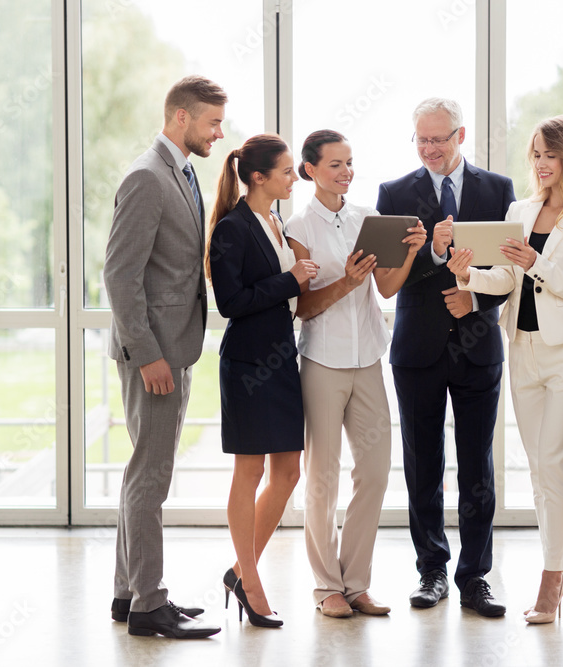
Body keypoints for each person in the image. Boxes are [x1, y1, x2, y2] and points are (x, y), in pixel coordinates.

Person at [447, 116, 563, 624]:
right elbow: (503, 279)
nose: (540, 164)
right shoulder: (520, 208)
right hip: (523, 349)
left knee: (554, 467)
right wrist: (467, 273)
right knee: (538, 470)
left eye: (550, 155)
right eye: (535, 155)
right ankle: (561, 568)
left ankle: (550, 577)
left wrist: (535, 260)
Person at [376, 97, 515, 617]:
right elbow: (387, 276)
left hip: (478, 345)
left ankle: (474, 577)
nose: (430, 148)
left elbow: (510, 271)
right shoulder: (393, 193)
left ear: (461, 135)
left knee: (477, 466)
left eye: (440, 138)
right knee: (422, 462)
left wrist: (474, 295)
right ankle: (431, 570)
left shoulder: (497, 190)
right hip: (418, 349)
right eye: (422, 139)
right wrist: (434, 254)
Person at [285, 130, 426, 618]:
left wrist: (409, 252)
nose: (346, 172)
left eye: (349, 163)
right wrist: (346, 279)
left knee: (375, 469)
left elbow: (385, 290)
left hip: (368, 358)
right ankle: (326, 585)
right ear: (309, 171)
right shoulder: (298, 226)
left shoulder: (369, 217)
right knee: (321, 475)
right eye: (335, 165)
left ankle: (356, 582)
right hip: (322, 361)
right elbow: (301, 307)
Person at [105, 75, 225, 639]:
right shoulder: (147, 177)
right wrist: (148, 355)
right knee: (150, 478)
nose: (218, 134)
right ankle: (151, 605)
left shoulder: (181, 171)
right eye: (212, 123)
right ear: (181, 117)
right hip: (153, 353)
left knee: (145, 473)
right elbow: (120, 275)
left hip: (175, 345)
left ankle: (128, 594)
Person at [207, 133, 319, 628]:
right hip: (249, 365)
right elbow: (230, 303)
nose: (294, 178)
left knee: (288, 474)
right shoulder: (231, 228)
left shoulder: (275, 221)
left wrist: (299, 279)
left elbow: (277, 293)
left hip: (281, 361)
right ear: (258, 177)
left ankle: (237, 569)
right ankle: (251, 582)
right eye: (287, 171)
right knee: (249, 473)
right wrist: (290, 281)